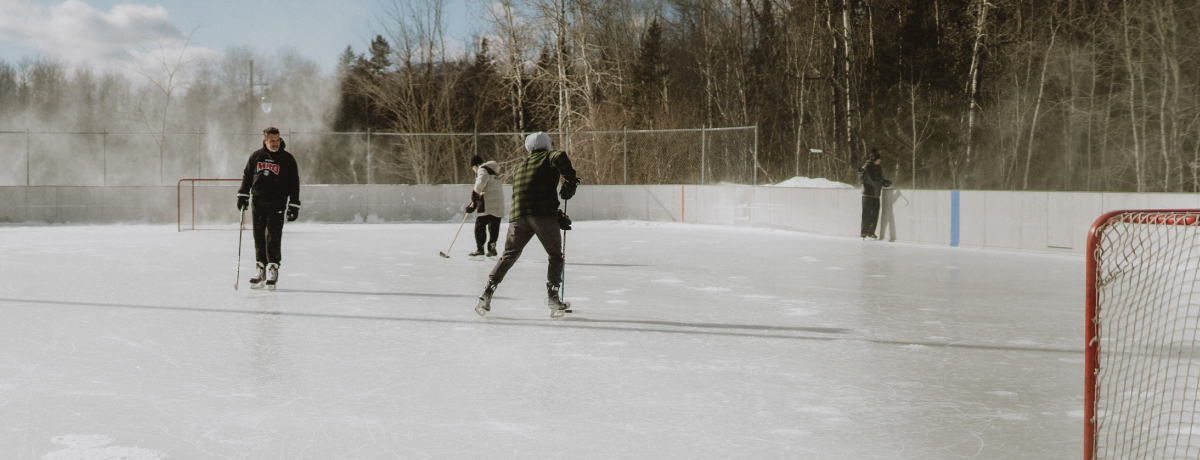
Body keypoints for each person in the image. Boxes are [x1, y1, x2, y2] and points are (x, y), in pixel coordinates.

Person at [475, 132, 579, 318]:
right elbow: (560, 156)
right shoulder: (549, 157)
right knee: (555, 255)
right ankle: (553, 297)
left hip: (518, 217)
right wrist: (570, 179)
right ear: (547, 146)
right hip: (542, 215)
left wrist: (556, 215)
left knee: (508, 256)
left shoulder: (520, 167)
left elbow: (531, 194)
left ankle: (486, 294)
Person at [236, 127, 301, 290]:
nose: (275, 143)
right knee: (258, 235)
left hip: (277, 203)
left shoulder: (287, 159)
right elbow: (247, 176)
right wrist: (243, 195)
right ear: (265, 141)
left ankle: (273, 267)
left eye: (277, 140)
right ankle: (260, 268)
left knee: (273, 234)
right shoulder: (256, 157)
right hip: (258, 203)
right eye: (272, 141)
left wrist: (294, 204)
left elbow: (294, 183)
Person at [466, 155, 505, 258]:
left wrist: (475, 193)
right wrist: (474, 203)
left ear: (475, 165)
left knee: (479, 226)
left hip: (488, 204)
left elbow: (481, 181)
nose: (474, 171)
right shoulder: (494, 172)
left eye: (473, 168)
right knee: (494, 227)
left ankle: (480, 248)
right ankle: (492, 247)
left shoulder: (482, 169)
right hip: (498, 205)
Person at [859, 149, 891, 239]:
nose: (880, 161)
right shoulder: (867, 168)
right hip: (868, 194)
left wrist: (885, 182)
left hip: (876, 194)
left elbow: (880, 179)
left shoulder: (879, 168)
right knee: (867, 213)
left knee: (875, 214)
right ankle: (864, 232)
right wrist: (881, 182)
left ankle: (871, 232)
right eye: (879, 160)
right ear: (875, 160)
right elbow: (871, 180)